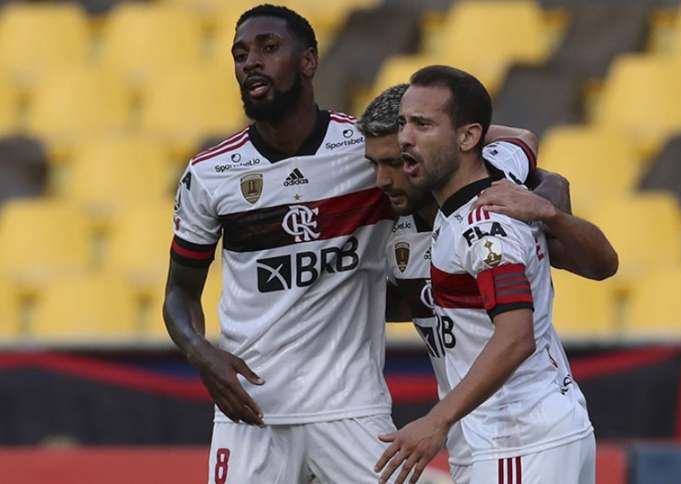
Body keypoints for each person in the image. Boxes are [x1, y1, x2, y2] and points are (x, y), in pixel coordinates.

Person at [163, 5, 400, 483]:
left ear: (309, 61)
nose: (251, 62)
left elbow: (453, 146)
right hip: (252, 410)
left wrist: (529, 167)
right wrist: (198, 352)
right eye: (240, 54)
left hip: (350, 405)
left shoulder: (364, 150)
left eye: (269, 48)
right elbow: (179, 294)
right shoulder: (210, 175)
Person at [359, 85, 617, 483]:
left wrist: (551, 209)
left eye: (398, 159)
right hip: (491, 434)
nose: (385, 179)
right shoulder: (401, 226)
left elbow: (518, 334)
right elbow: (524, 140)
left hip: (515, 432)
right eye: (375, 164)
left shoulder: (492, 207)